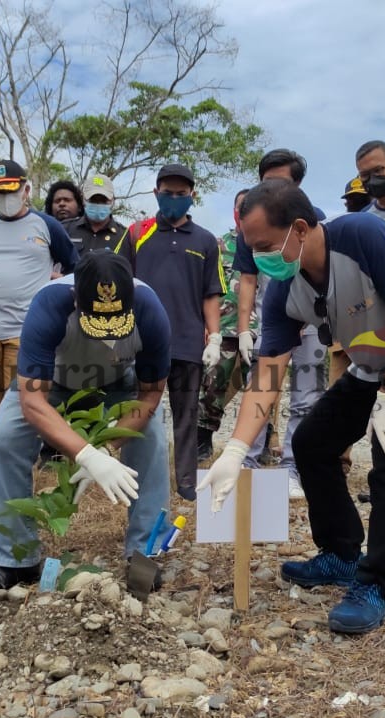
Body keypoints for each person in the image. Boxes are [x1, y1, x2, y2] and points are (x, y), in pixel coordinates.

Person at [199, 180, 385, 633]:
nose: (258, 257)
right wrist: (233, 451)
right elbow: (267, 373)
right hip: (372, 360)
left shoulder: (362, 236)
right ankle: (342, 554)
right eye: (251, 247)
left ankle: (377, 582)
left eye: (264, 245)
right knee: (312, 443)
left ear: (300, 229)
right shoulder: (285, 290)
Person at [0, 252, 172, 591]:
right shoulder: (49, 304)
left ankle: (144, 555)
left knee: (151, 438)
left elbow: (150, 394)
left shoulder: (149, 310)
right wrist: (86, 455)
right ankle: (17, 561)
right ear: (77, 298)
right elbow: (32, 401)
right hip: (53, 385)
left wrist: (107, 447)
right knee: (4, 440)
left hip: (116, 385)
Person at [0, 161, 78, 447]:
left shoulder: (46, 225)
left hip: (27, 332)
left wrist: (59, 302)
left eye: (11, 191)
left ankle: (23, 470)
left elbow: (75, 269)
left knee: (25, 406)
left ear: (26, 189)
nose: (5, 199)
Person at [225, 149, 329, 497]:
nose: (272, 188)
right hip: (272, 320)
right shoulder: (250, 228)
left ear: (297, 184)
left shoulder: (314, 220)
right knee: (263, 387)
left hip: (311, 318)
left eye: (281, 182)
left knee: (306, 394)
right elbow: (248, 279)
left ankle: (292, 468)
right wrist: (243, 328)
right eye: (266, 181)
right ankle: (245, 461)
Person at [117, 163, 222, 501]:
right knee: (138, 411)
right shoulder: (137, 232)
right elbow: (117, 282)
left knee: (186, 415)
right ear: (156, 193)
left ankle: (187, 482)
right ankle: (132, 475)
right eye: (168, 193)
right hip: (140, 341)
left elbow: (211, 293)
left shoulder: (206, 241)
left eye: (181, 193)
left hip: (188, 341)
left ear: (192, 195)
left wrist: (215, 336)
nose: (174, 199)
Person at [197, 189, 253, 461]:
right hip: (225, 326)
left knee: (263, 388)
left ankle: (261, 444)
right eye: (241, 207)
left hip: (262, 331)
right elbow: (205, 287)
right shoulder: (218, 246)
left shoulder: (272, 246)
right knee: (215, 384)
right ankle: (203, 436)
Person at [62, 174, 127, 255]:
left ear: (113, 200)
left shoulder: (124, 236)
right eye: (93, 200)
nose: (98, 204)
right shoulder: (65, 229)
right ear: (83, 199)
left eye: (103, 200)